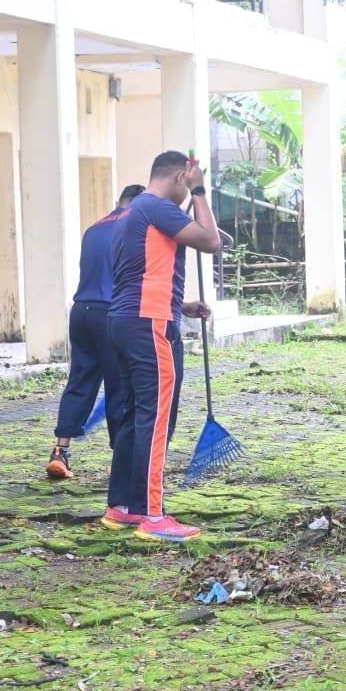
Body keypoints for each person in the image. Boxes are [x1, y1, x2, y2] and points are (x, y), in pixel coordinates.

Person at [102, 151, 220, 542]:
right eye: (187, 183)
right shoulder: (157, 207)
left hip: (125, 320)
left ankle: (123, 507)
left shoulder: (133, 211)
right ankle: (153, 516)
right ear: (180, 177)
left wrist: (180, 305)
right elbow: (211, 241)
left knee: (135, 414)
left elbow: (141, 272)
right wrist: (200, 191)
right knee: (155, 418)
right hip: (150, 323)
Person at [46, 184, 145, 480]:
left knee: (80, 382)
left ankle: (60, 451)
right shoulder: (136, 228)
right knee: (120, 387)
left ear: (119, 201)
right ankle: (121, 460)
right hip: (111, 313)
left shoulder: (93, 229)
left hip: (81, 311)